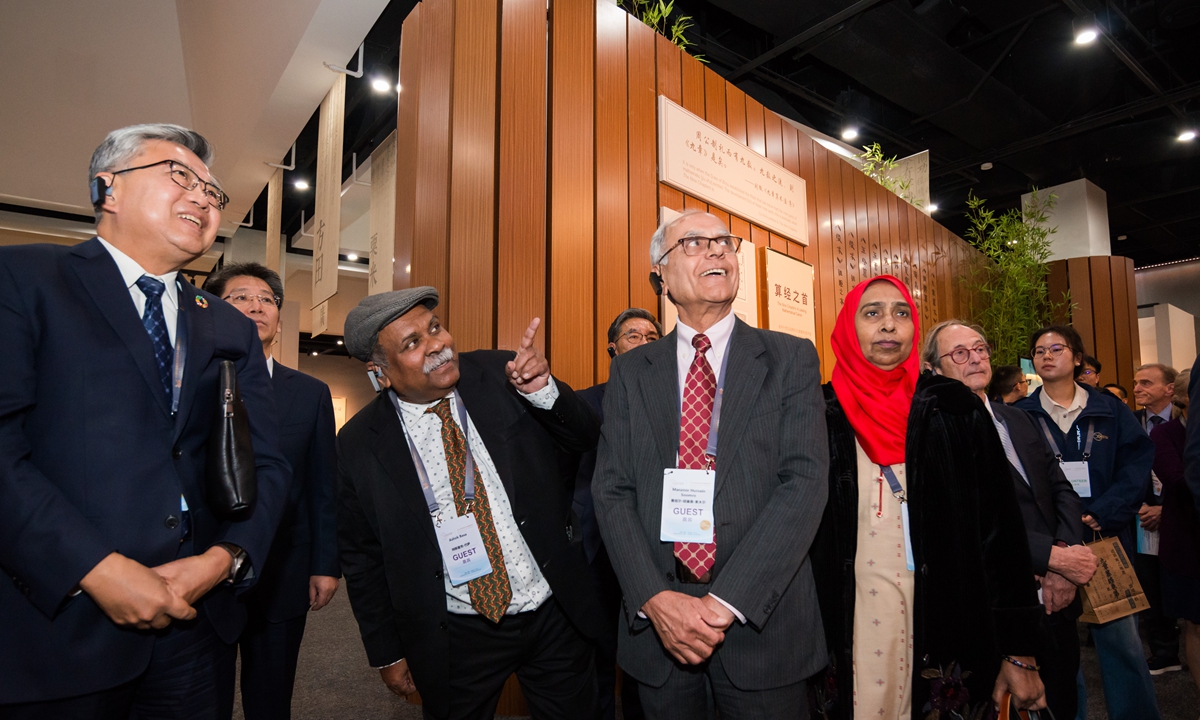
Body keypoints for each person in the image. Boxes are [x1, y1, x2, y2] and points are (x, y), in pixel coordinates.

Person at [0, 124, 289, 717]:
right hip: (59, 625)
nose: (203, 197)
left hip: (197, 625)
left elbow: (266, 463)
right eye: (179, 176)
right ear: (109, 188)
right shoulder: (24, 280)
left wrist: (225, 559)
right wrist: (94, 569)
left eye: (213, 192)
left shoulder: (228, 325)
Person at [593, 209, 830, 718]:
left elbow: (804, 483)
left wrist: (723, 604)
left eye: (724, 241)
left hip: (763, 626)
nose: (718, 249)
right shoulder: (633, 371)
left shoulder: (789, 357)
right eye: (695, 243)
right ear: (661, 273)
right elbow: (611, 491)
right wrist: (655, 599)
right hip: (660, 630)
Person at [336, 288, 603, 720]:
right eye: (412, 343)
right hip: (456, 631)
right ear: (380, 373)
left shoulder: (502, 373)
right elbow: (362, 558)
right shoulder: (358, 446)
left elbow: (586, 438)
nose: (437, 345)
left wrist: (543, 391)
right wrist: (386, 654)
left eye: (435, 328)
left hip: (554, 611)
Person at [810, 279, 1045, 720]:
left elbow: (1002, 534)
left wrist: (1019, 651)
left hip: (944, 626)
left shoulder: (952, 407)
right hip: (847, 621)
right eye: (872, 313)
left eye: (901, 313)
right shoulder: (818, 411)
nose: (889, 326)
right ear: (847, 325)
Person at [922, 320, 1096, 720]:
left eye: (980, 348)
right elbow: (968, 519)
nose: (976, 359)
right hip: (995, 603)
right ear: (933, 369)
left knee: (1063, 699)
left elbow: (1060, 489)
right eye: (960, 353)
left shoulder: (1016, 418)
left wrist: (1065, 556)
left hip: (1057, 596)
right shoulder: (933, 432)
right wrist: (1049, 558)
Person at [203, 263, 340, 719]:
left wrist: (324, 565)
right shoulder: (188, 384)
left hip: (282, 570)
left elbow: (323, 486)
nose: (257, 305)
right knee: (200, 698)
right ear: (210, 309)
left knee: (271, 699)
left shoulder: (310, 392)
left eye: (267, 299)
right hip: (199, 571)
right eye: (240, 296)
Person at [1015, 325, 1160, 720]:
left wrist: (1103, 511)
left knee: (1122, 643)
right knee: (1058, 649)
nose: (1047, 355)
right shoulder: (1018, 416)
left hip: (1102, 537)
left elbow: (1136, 467)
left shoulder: (1110, 410)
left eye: (1056, 348)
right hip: (1052, 548)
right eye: (1039, 350)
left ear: (1077, 358)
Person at [574, 308, 662, 720]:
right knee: (599, 658)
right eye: (633, 336)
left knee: (651, 662)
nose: (644, 343)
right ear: (613, 349)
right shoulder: (586, 404)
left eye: (652, 336)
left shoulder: (683, 410)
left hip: (659, 553)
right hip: (600, 553)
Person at [1150, 369, 1200, 698]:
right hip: (1187, 541)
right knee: (1196, 622)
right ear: (1184, 402)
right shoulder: (1165, 435)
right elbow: (1179, 482)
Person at [1131, 363, 1182, 675]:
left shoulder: (1187, 423)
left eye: (1146, 383)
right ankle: (1164, 652)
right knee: (1149, 584)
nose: (1137, 388)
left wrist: (1168, 510)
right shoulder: (1131, 422)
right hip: (1141, 516)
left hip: (1181, 514)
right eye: (1136, 383)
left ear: (1170, 389)